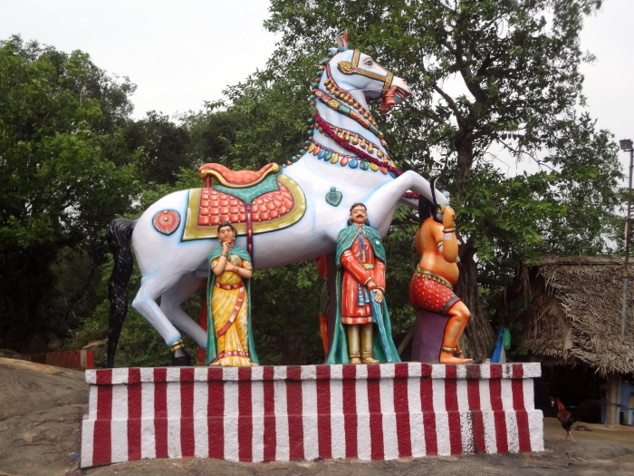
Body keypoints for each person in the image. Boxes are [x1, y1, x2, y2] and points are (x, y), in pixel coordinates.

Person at [326, 203, 400, 364]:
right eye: (356, 211)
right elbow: (346, 258)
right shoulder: (345, 234)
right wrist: (367, 280)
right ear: (350, 216)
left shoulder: (373, 235)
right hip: (352, 281)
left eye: (362, 211)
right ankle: (354, 356)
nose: (359, 214)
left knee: (369, 319)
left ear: (366, 216)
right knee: (354, 319)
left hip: (374, 280)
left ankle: (367, 354)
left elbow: (380, 261)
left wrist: (379, 286)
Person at [409, 197, 472, 364]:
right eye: (446, 206)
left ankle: (456, 352)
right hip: (430, 281)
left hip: (423, 281)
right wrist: (449, 227)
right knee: (461, 313)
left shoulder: (423, 227)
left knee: (447, 318)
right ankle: (445, 355)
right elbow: (450, 256)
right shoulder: (437, 226)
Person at [206, 222, 258, 366]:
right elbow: (217, 271)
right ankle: (222, 356)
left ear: (234, 233)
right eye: (222, 232)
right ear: (218, 236)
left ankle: (244, 357)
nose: (226, 233)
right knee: (221, 325)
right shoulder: (215, 254)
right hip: (220, 294)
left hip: (238, 292)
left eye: (229, 230)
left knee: (241, 323)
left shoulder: (242, 253)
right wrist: (224, 252)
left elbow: (248, 273)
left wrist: (234, 268)